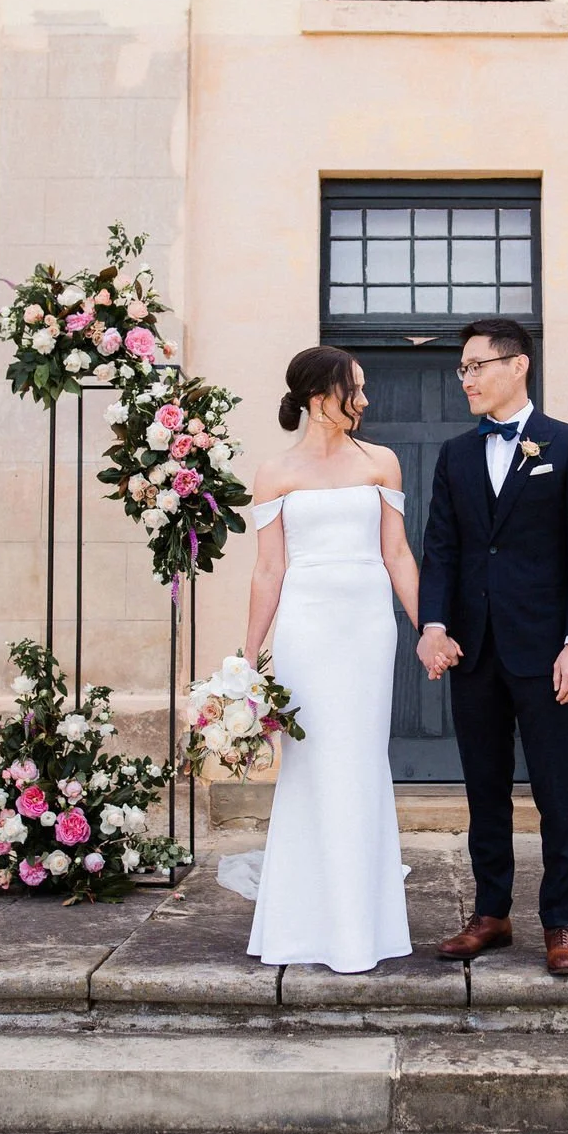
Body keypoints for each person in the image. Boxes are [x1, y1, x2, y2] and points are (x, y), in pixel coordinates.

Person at [417, 318, 568, 976]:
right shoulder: (455, 456)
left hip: (545, 649)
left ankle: (561, 922)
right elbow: (439, 546)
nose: (465, 377)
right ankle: (491, 913)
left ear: (518, 364)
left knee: (557, 788)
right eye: (462, 368)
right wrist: (433, 624)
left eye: (476, 365)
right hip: (474, 651)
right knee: (485, 787)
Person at [222, 346, 418, 973]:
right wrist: (247, 661)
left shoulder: (381, 462)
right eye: (351, 390)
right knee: (310, 765)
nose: (362, 400)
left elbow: (398, 555)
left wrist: (429, 627)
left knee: (360, 759)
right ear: (316, 396)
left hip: (366, 627)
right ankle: (304, 922)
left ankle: (365, 923)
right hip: (306, 628)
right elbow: (269, 568)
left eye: (361, 389)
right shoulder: (274, 471)